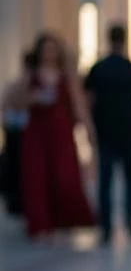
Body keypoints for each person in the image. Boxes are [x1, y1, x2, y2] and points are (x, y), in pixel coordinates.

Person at [19, 32, 96, 240]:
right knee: (37, 177)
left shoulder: (66, 76)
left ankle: (64, 218)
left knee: (64, 176)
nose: (49, 54)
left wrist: (88, 131)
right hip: (38, 132)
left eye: (53, 49)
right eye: (46, 49)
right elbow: (17, 99)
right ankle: (41, 223)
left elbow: (79, 105)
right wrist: (32, 98)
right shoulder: (31, 74)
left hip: (60, 132)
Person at [84, 23, 131, 244]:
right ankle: (130, 222)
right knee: (130, 179)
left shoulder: (98, 68)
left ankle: (107, 226)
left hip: (105, 130)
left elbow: (88, 100)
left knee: (106, 181)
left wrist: (88, 128)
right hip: (128, 130)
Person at [0, 52, 31, 216]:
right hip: (17, 129)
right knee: (16, 166)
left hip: (16, 128)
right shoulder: (23, 82)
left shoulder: (19, 82)